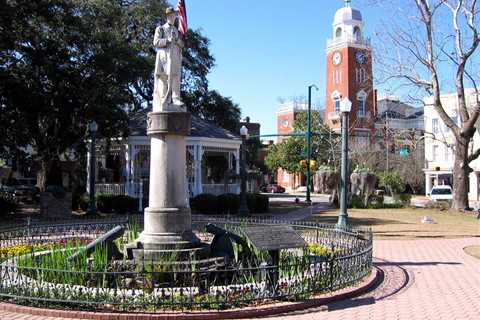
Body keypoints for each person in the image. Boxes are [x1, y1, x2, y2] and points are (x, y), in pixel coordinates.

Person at [153, 7, 184, 110]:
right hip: (164, 56)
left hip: (174, 55)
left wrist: (177, 40)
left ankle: (175, 98)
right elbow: (156, 42)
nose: (173, 17)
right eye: (171, 15)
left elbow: (181, 44)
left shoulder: (176, 30)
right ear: (167, 16)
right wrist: (167, 40)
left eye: (174, 16)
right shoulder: (161, 28)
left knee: (175, 76)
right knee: (164, 77)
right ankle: (164, 98)